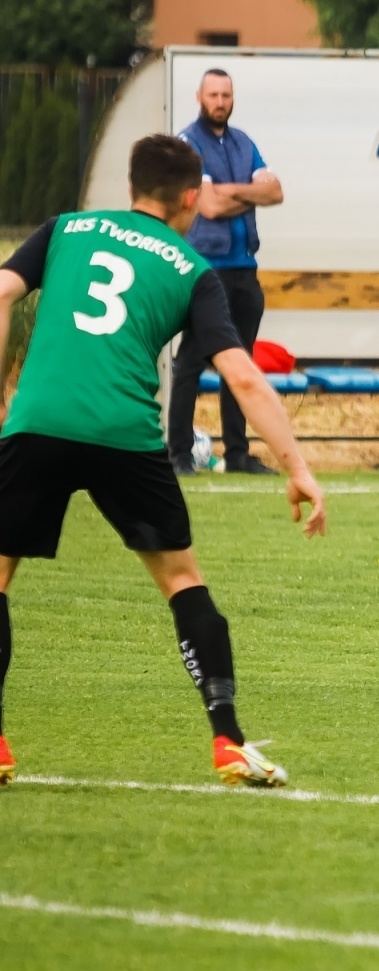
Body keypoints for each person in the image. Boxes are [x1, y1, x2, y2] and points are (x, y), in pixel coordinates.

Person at [0, 134, 328, 785]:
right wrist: (297, 468)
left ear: (130, 189)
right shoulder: (190, 268)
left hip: (37, 420)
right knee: (182, 580)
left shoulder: (65, 228)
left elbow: (2, 290)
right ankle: (228, 739)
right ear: (190, 200)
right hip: (125, 431)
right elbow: (243, 375)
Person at [166, 69, 285, 477]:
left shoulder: (243, 142)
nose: (220, 101)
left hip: (244, 270)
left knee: (242, 365)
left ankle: (237, 453)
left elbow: (276, 192)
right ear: (200, 96)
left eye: (226, 95)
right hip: (206, 270)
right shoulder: (188, 144)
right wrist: (247, 192)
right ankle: (178, 452)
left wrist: (227, 189)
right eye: (214, 94)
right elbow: (209, 207)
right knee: (191, 362)